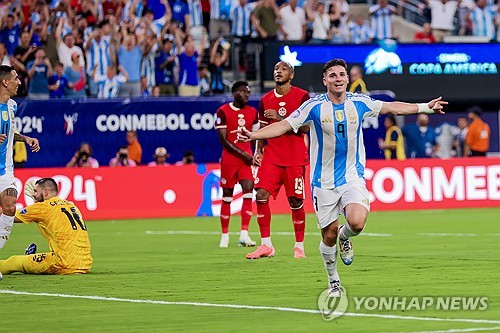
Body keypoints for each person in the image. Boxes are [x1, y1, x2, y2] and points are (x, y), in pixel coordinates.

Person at [233, 58, 447, 297]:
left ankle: (346, 238)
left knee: (356, 222)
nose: (338, 79)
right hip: (322, 183)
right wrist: (253, 135)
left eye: (342, 75)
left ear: (347, 79)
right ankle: (334, 281)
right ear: (325, 80)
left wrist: (426, 107)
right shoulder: (313, 107)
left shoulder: (359, 102)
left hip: (351, 177)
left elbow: (391, 107)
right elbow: (283, 126)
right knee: (329, 235)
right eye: (333, 75)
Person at [245, 61, 310, 260]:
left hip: (294, 156)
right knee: (261, 195)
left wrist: (282, 120)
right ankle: (266, 245)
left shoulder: (302, 97)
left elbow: (307, 127)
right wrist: (258, 151)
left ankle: (299, 247)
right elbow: (263, 130)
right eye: (275, 69)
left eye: (283, 69)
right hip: (272, 156)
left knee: (295, 201)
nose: (278, 71)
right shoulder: (266, 100)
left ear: (291, 74)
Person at [0, 178, 92, 275]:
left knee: (13, 262)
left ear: (46, 192)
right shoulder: (71, 205)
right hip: (85, 263)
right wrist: (37, 200)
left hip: (63, 263)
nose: (33, 194)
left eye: (35, 191)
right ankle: (30, 258)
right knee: (50, 255)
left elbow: (9, 214)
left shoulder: (43, 208)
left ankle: (28, 260)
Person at [0, 65, 41, 251]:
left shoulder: (12, 105)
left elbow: (9, 133)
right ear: (5, 81)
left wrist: (25, 138)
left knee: (10, 208)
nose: (19, 82)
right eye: (16, 78)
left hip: (6, 171)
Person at [215, 81, 258, 248]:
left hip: (246, 161)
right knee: (227, 196)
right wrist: (244, 155)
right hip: (230, 161)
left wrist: (254, 154)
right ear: (234, 93)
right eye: (242, 92)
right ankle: (224, 235)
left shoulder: (253, 112)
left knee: (248, 193)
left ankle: (244, 234)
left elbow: (256, 135)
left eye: (248, 92)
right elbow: (224, 140)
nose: (246, 95)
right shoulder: (223, 111)